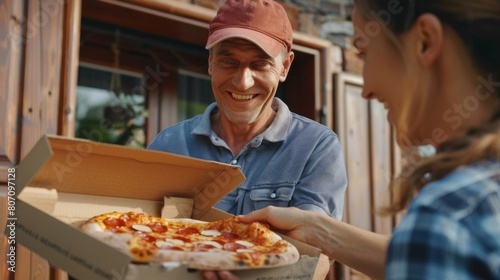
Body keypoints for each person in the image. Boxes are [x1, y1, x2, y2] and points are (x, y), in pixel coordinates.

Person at [203, 0, 500, 279]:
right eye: (228, 61)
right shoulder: (472, 204)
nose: (366, 89)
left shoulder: (451, 213)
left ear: (425, 41)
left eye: (364, 53)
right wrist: (318, 230)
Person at [148, 0, 347, 220]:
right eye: (228, 61)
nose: (243, 83)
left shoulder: (315, 147)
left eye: (260, 64)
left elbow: (313, 246)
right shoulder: (168, 145)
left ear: (285, 67)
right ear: (211, 62)